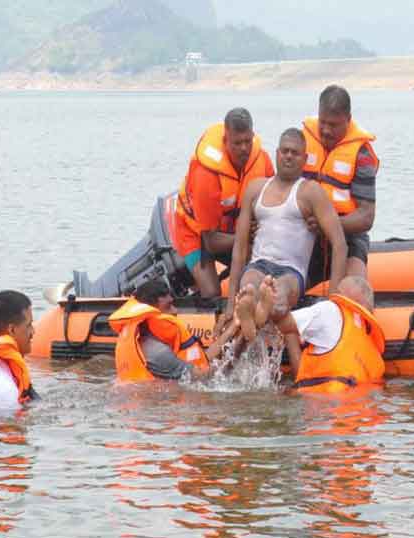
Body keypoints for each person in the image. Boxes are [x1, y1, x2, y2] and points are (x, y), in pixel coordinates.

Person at [221, 127, 347, 341]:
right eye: (285, 151)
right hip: (258, 263)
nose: (289, 156)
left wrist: (333, 303)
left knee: (278, 297)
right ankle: (252, 311)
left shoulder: (311, 191)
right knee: (250, 285)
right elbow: (240, 249)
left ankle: (255, 316)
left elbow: (339, 244)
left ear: (304, 158)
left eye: (295, 153)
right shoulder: (255, 189)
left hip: (291, 271)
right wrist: (229, 301)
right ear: (277, 153)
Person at [172, 107, 275, 298]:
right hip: (197, 235)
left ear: (253, 135)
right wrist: (245, 235)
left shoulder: (262, 161)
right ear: (226, 139)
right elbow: (210, 242)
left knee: (267, 271)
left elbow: (274, 202)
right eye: (237, 143)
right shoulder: (207, 175)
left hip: (235, 231)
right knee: (212, 293)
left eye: (247, 141)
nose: (244, 148)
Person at [302, 85, 380, 287]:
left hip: (349, 236)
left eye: (334, 125)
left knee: (356, 289)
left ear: (348, 119)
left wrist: (327, 224)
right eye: (323, 122)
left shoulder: (362, 155)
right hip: (305, 232)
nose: (326, 130)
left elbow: (366, 216)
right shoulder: (301, 143)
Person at [269, 275, 385, 394]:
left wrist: (276, 300)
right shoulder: (376, 358)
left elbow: (283, 324)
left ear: (340, 295)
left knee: (282, 393)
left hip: (325, 406)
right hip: (357, 407)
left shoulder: (331, 310)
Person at [108, 279, 238, 382]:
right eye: (168, 306)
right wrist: (240, 351)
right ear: (151, 310)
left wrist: (234, 327)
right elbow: (202, 377)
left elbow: (203, 361)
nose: (175, 311)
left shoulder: (146, 337)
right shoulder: (156, 352)